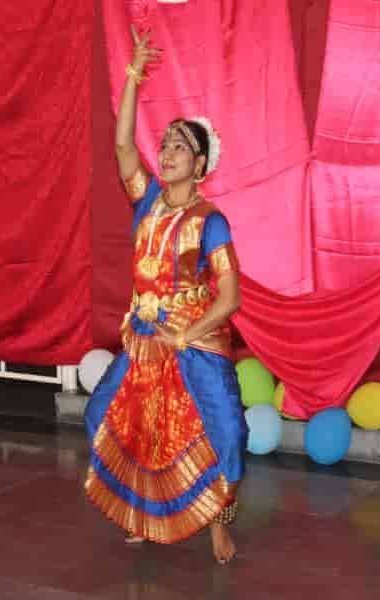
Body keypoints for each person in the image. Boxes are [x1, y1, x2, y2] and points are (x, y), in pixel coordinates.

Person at [84, 27, 247, 565]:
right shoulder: (148, 200)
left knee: (226, 432)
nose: (169, 151)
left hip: (193, 340)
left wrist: (186, 335)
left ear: (199, 166)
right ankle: (142, 513)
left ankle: (219, 521)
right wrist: (133, 74)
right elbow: (122, 146)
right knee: (107, 418)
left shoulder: (211, 222)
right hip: (144, 338)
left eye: (181, 146)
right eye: (167, 144)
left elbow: (230, 297)